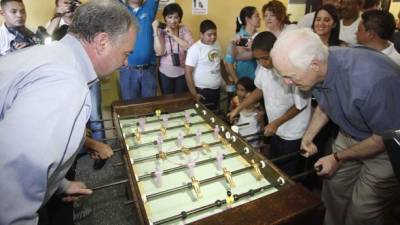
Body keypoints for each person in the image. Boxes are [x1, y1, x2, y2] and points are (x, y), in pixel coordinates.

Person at [0, 1, 137, 225]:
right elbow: (10, 193)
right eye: (125, 53)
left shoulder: (56, 54)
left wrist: (59, 185)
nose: (126, 62)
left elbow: (36, 158)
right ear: (103, 42)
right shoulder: (64, 82)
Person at [270, 28, 400, 225]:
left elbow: (382, 138)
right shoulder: (321, 65)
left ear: (314, 65)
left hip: (386, 149)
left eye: (290, 76)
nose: (287, 83)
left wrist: (338, 157)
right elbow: (326, 103)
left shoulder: (371, 80)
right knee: (333, 194)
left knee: (362, 210)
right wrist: (309, 135)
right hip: (350, 134)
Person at [228, 31, 311, 176]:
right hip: (276, 128)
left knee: (287, 173)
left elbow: (300, 105)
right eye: (258, 59)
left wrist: (276, 123)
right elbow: (259, 90)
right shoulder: (263, 68)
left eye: (265, 58)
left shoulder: (291, 69)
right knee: (275, 166)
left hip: (293, 132)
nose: (262, 63)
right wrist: (238, 109)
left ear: (276, 51)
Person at [185, 19, 230, 111]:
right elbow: (187, 72)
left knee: (215, 114)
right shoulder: (195, 49)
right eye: (209, 35)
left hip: (216, 89)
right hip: (202, 91)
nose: (213, 37)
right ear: (201, 35)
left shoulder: (217, 44)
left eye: (215, 34)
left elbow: (221, 64)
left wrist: (227, 80)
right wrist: (194, 94)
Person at [119, 0, 159, 101]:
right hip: (128, 70)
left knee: (149, 108)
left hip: (149, 70)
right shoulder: (120, 9)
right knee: (130, 109)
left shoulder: (149, 7)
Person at [152, 3, 193, 95]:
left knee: (180, 99)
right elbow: (160, 51)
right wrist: (155, 31)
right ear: (165, 18)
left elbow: (190, 48)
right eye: (170, 17)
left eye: (176, 17)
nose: (173, 21)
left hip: (182, 72)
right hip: (165, 73)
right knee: (167, 100)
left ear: (180, 18)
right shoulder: (161, 31)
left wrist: (173, 35)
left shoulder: (184, 29)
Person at [224, 6, 260, 82]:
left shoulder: (260, 36)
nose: (260, 18)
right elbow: (228, 63)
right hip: (243, 81)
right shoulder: (239, 38)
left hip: (259, 81)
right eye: (256, 16)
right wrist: (237, 81)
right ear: (248, 19)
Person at [230, 77, 264, 146]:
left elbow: (262, 128)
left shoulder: (258, 110)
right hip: (238, 138)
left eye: (242, 90)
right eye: (237, 89)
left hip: (253, 142)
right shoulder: (236, 104)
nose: (239, 93)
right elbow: (232, 120)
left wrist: (261, 120)